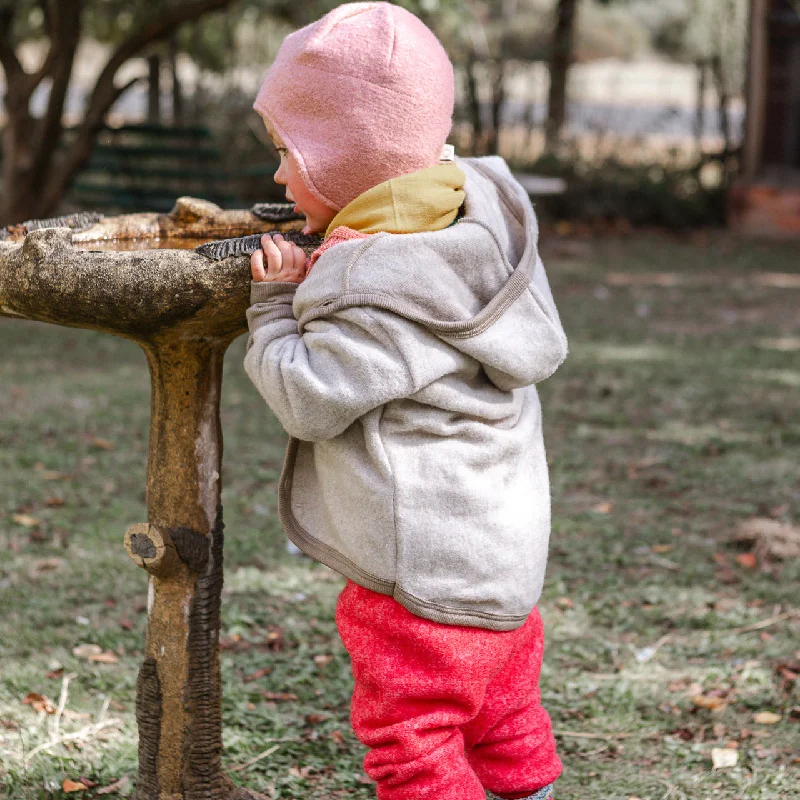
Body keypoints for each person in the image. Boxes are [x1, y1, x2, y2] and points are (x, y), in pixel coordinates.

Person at [243, 4, 568, 799]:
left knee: (411, 747)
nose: (280, 177)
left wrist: (274, 308)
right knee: (503, 721)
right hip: (507, 571)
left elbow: (308, 398)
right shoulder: (479, 223)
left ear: (345, 156)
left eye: (290, 152)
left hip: (421, 585)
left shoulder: (373, 286)